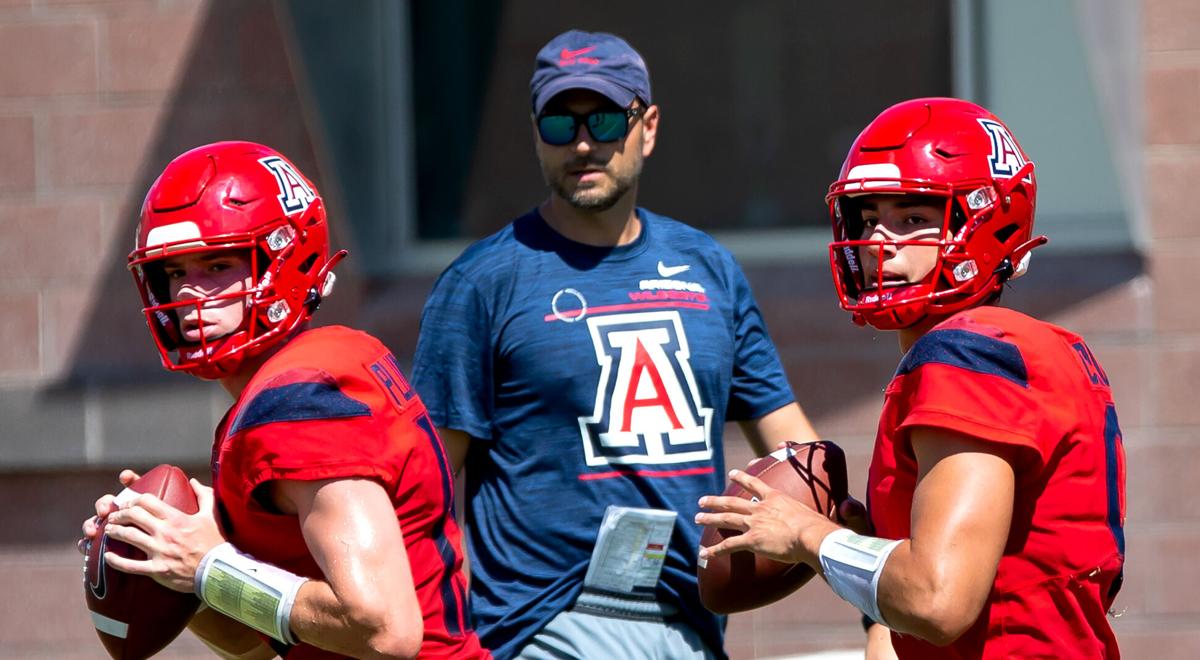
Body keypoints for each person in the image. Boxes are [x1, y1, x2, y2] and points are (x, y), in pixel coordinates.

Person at [412, 29, 818, 660]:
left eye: (604, 119)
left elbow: (796, 453)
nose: (582, 143)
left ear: (648, 127)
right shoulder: (481, 284)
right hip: (542, 628)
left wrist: (860, 560)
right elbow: (424, 487)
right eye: (558, 122)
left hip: (692, 621)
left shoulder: (709, 268)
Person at [696, 97, 1126, 658]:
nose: (879, 241)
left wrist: (806, 536)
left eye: (915, 218)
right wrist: (861, 552)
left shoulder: (964, 353)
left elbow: (938, 601)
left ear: (986, 219)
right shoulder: (1049, 348)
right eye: (870, 218)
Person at [79, 141, 488, 659]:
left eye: (216, 264)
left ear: (283, 255)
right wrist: (175, 569)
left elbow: (384, 630)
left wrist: (210, 565)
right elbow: (266, 646)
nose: (187, 294)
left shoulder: (296, 400)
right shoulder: (322, 363)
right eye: (176, 272)